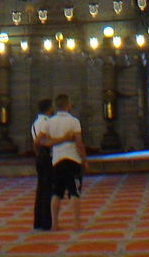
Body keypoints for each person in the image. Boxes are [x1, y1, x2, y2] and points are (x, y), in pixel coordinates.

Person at [41, 92, 87, 231]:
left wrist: (56, 141)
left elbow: (42, 141)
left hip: (57, 160)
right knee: (75, 192)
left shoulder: (49, 122)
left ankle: (55, 223)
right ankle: (77, 223)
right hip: (73, 160)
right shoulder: (74, 121)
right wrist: (84, 159)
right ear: (68, 105)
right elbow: (79, 143)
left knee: (56, 193)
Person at [31, 99, 54, 230]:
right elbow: (42, 140)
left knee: (41, 189)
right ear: (49, 108)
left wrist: (37, 153)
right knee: (47, 189)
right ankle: (46, 222)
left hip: (39, 156)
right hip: (46, 155)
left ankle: (38, 221)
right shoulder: (47, 123)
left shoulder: (35, 123)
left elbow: (35, 143)